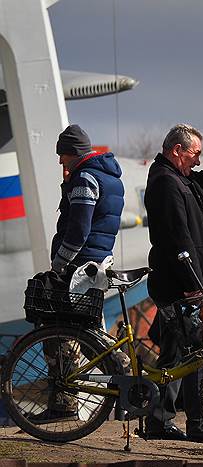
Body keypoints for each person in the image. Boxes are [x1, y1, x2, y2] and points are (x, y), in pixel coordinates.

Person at [143, 123, 203, 442]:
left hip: (190, 281)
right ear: (177, 151)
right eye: (195, 154)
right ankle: (187, 423)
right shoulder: (166, 182)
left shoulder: (181, 179)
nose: (198, 161)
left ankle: (177, 422)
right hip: (182, 284)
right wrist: (194, 285)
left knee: (187, 352)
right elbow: (177, 239)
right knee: (190, 352)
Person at [32, 124, 125, 423]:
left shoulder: (85, 178)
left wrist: (59, 264)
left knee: (58, 330)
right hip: (97, 264)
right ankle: (125, 374)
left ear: (72, 153)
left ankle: (65, 404)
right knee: (85, 331)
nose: (61, 161)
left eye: (62, 155)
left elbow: (78, 231)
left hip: (79, 267)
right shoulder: (108, 177)